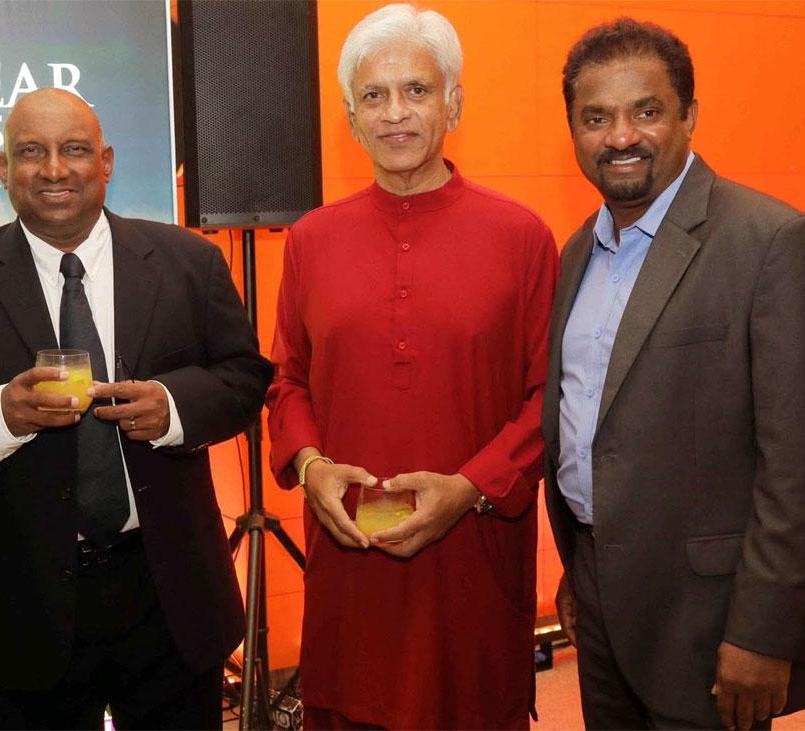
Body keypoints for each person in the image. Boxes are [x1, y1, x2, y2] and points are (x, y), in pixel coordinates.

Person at [0, 87, 271, 729]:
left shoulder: (190, 261)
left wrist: (174, 407)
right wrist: (0, 416)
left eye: (74, 149)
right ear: (2, 168)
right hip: (22, 605)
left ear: (105, 162)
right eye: (32, 152)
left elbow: (245, 379)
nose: (54, 169)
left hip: (170, 597)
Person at [543, 18, 805, 731]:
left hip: (713, 621)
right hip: (598, 601)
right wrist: (583, 567)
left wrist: (766, 632)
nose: (621, 136)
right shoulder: (576, 254)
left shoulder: (775, 242)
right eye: (596, 117)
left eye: (646, 111)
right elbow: (595, 427)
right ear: (574, 131)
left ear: (689, 114)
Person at [266, 4, 558, 728]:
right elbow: (287, 379)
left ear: (453, 103)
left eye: (417, 91)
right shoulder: (311, 240)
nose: (395, 112)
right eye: (374, 95)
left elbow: (551, 399)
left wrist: (470, 488)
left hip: (474, 556)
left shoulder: (522, 236)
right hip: (349, 557)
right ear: (350, 115)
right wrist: (309, 465)